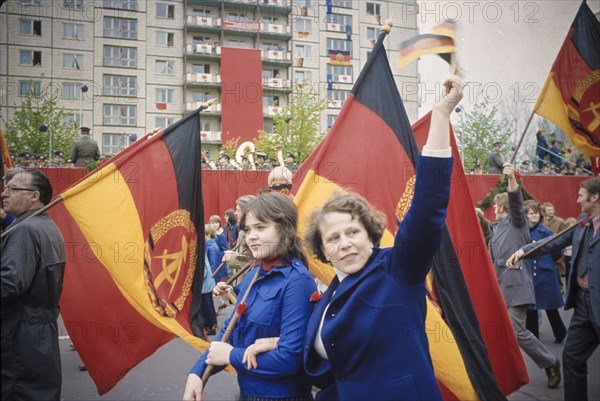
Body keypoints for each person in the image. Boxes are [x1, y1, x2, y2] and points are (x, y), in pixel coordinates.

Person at [245, 75, 464, 400]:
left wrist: (442, 115)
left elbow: (428, 206)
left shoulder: (398, 270)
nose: (344, 242)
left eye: (352, 232)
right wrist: (274, 342)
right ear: (322, 249)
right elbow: (330, 346)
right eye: (332, 237)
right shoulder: (329, 295)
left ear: (372, 234)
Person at [183, 192, 317, 401]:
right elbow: (230, 328)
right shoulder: (257, 273)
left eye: (260, 227)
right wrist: (196, 373)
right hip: (247, 393)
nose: (251, 236)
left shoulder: (298, 282)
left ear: (285, 230)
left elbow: (291, 358)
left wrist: (230, 355)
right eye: (248, 229)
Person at [507, 177, 600, 401]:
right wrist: (525, 251)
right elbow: (556, 241)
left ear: (595, 197)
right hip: (583, 305)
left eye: (580, 195)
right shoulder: (582, 222)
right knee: (571, 357)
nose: (577, 200)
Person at [488, 163, 561, 389]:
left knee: (516, 331)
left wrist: (511, 180)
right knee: (500, 332)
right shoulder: (495, 229)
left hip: (517, 286)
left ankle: (550, 362)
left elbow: (517, 204)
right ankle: (498, 373)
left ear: (502, 208)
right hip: (499, 289)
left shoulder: (516, 222)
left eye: (495, 205)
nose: (492, 207)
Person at [1, 169, 67, 400]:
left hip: (20, 331)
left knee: (18, 391)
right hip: (37, 333)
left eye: (13, 189)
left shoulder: (26, 230)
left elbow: (9, 283)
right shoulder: (45, 226)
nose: (4, 193)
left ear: (34, 196)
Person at [523, 201, 567, 343]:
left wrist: (546, 261)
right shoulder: (522, 232)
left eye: (536, 212)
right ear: (525, 216)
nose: (535, 214)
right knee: (531, 308)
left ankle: (560, 333)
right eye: (531, 212)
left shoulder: (546, 232)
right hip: (529, 274)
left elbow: (558, 250)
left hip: (545, 274)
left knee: (550, 306)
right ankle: (533, 337)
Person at [202, 226, 218, 337]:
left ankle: (211, 325)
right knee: (209, 304)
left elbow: (206, 269)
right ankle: (213, 323)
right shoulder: (206, 247)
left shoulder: (209, 247)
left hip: (205, 284)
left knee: (206, 305)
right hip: (209, 282)